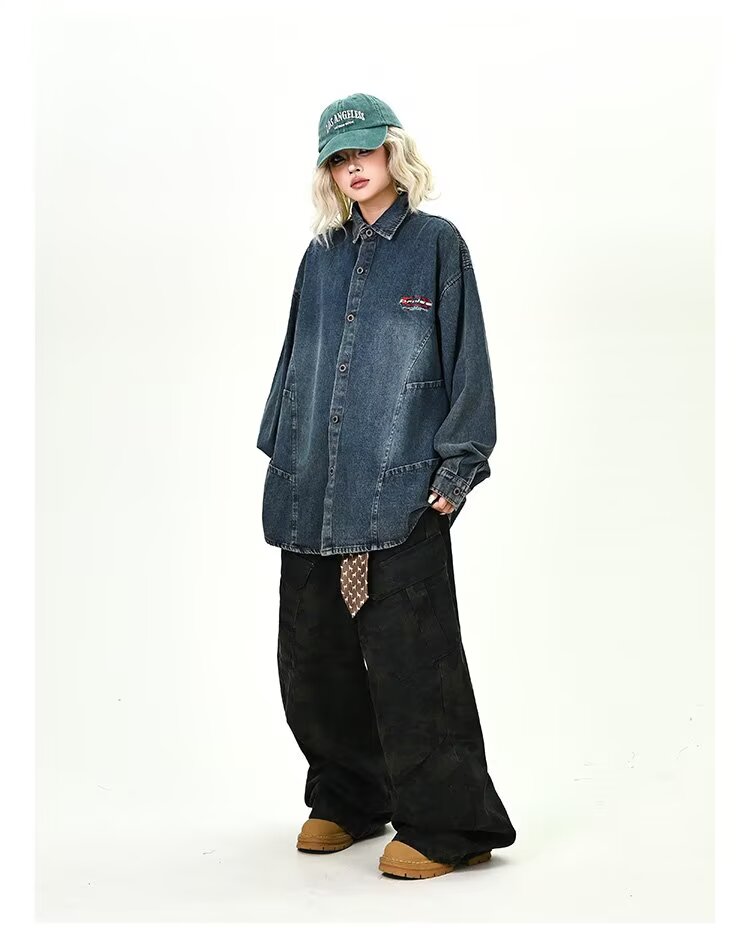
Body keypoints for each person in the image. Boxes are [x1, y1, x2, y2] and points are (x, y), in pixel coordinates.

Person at [256, 92, 517, 880]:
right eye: (339, 158)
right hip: (314, 494)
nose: (353, 167)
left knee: (414, 666)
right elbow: (295, 365)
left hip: (401, 498)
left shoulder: (436, 245)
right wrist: (282, 462)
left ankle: (449, 825)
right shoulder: (320, 257)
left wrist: (456, 471)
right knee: (312, 662)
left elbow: (467, 360)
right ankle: (349, 795)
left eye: (363, 151)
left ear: (393, 153)